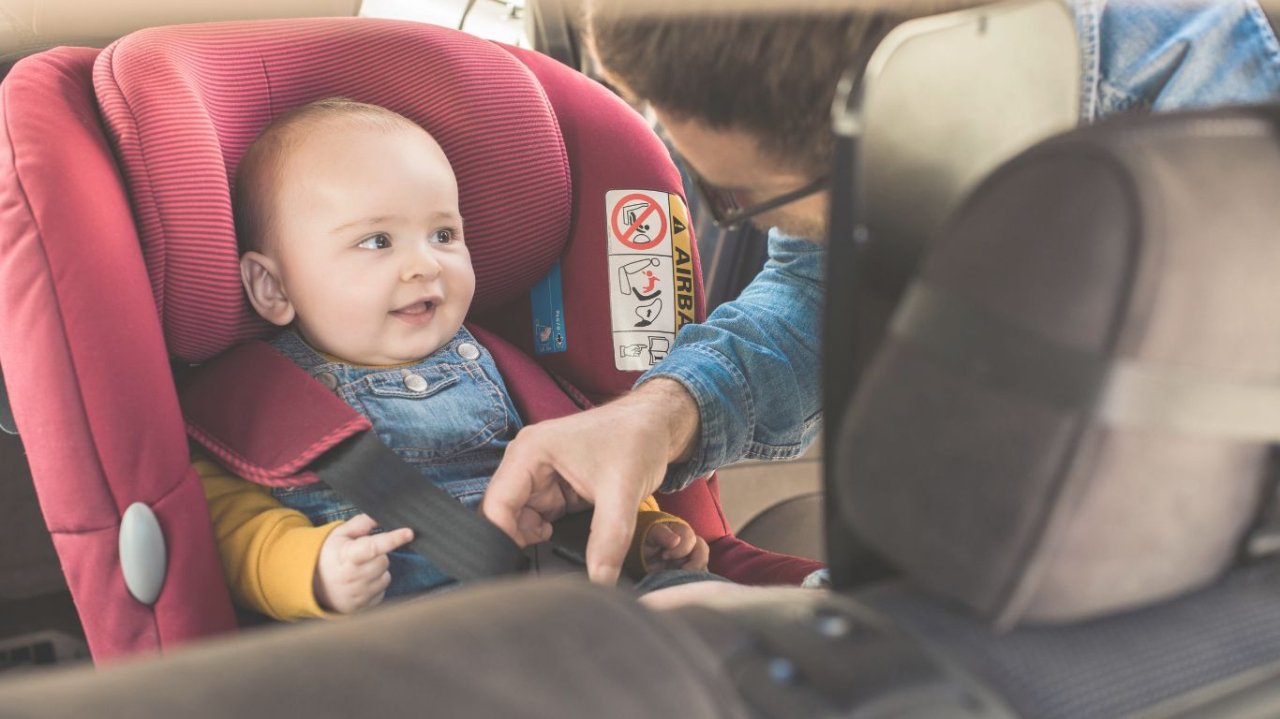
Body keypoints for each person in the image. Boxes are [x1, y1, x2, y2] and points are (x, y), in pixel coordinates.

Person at [481, 0, 1280, 584]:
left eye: (733, 198)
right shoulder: (860, 66)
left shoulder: (1225, 152)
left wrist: (816, 627)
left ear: (892, 123)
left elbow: (1157, 527)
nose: (718, 209)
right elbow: (814, 288)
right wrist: (659, 413)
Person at [195, 99, 709, 620]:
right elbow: (231, 528)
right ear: (274, 286)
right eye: (377, 241)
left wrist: (643, 533)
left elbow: (586, 459)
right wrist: (312, 571)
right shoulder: (255, 401)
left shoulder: (510, 365)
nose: (424, 264)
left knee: (700, 600)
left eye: (443, 235)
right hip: (416, 632)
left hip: (565, 596)